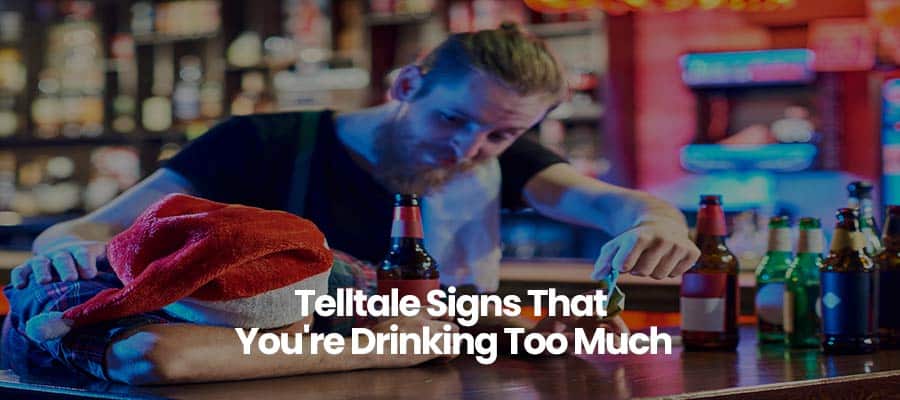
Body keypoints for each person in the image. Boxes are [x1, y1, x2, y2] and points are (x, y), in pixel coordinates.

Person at [7, 23, 700, 383]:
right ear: (405, 85)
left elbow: (613, 205)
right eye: (453, 120)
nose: (469, 148)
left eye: (502, 132)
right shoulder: (262, 143)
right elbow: (90, 228)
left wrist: (656, 221)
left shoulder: (503, 159)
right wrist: (69, 251)